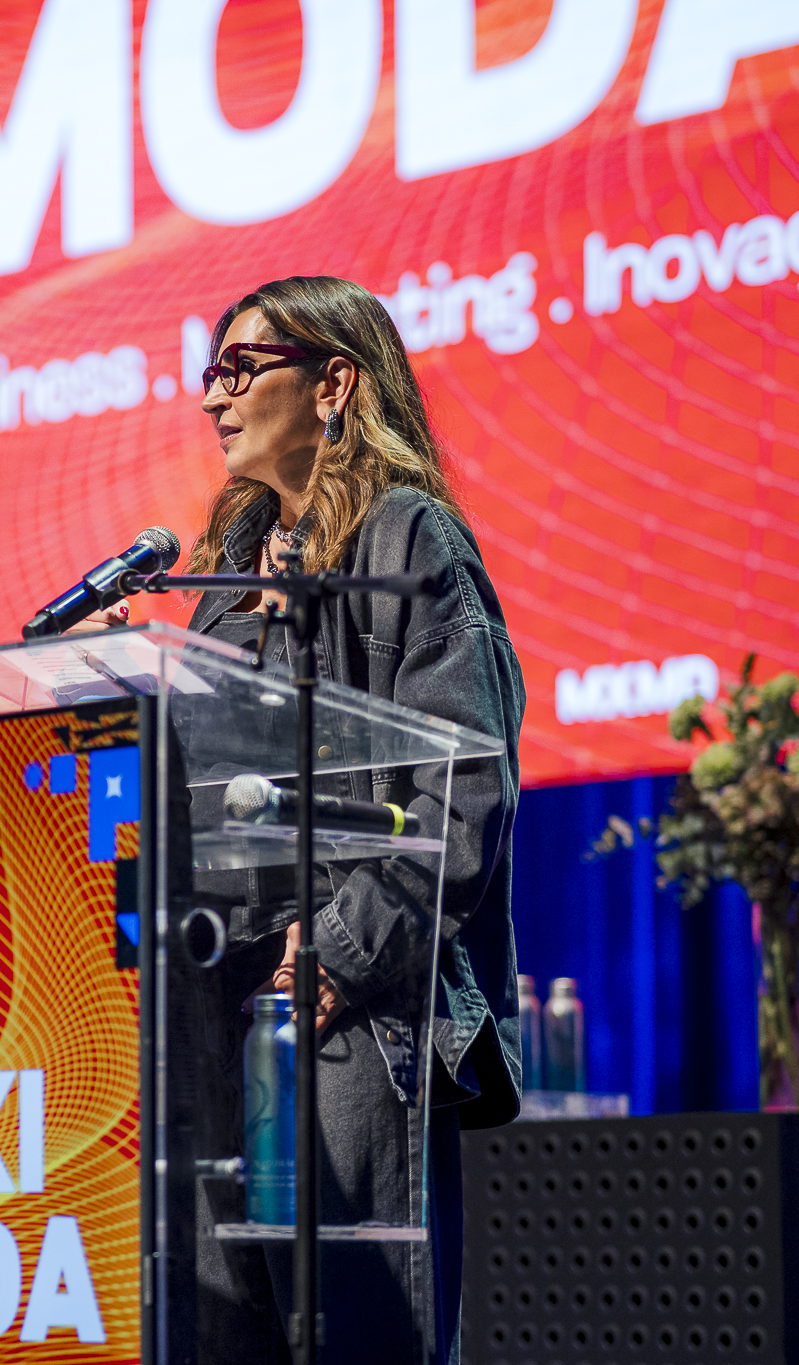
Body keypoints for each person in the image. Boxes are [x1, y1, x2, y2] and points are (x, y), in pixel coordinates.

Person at [180, 276, 527, 1365]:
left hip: (341, 1010)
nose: (212, 397)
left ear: (334, 383)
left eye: (240, 368)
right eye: (209, 373)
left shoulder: (406, 538)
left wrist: (335, 951)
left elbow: (464, 786)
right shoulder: (222, 582)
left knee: (349, 1341)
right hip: (214, 1011)